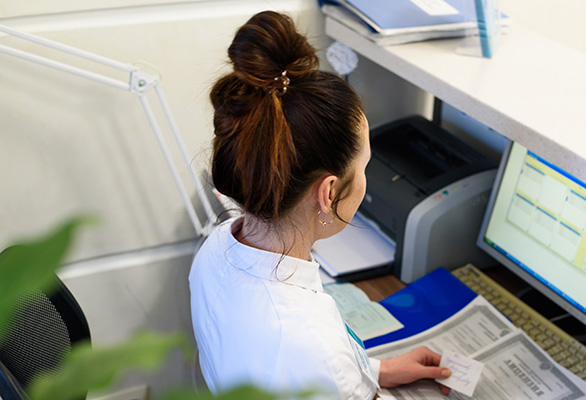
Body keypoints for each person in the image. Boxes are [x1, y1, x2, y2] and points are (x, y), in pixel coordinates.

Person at [189, 11, 451, 398]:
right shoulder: (311, 347)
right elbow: (313, 365)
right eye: (364, 166)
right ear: (328, 193)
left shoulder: (218, 248)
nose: (364, 181)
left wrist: (374, 369)